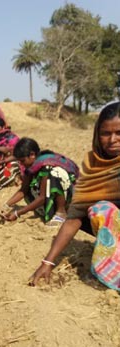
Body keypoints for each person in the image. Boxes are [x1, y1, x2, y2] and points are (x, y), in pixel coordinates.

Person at [30, 101, 120, 291]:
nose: (112, 139)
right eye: (106, 133)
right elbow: (74, 218)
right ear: (97, 134)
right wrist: (48, 262)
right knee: (100, 210)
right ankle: (112, 270)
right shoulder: (94, 165)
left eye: (119, 133)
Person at [0, 137, 79, 226]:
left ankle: (61, 212)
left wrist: (17, 213)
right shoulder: (31, 168)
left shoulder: (46, 165)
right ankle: (48, 210)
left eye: (23, 161)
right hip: (45, 197)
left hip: (68, 196)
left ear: (32, 155)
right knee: (30, 188)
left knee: (54, 175)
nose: (21, 164)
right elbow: (23, 190)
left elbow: (42, 198)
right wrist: (6, 205)